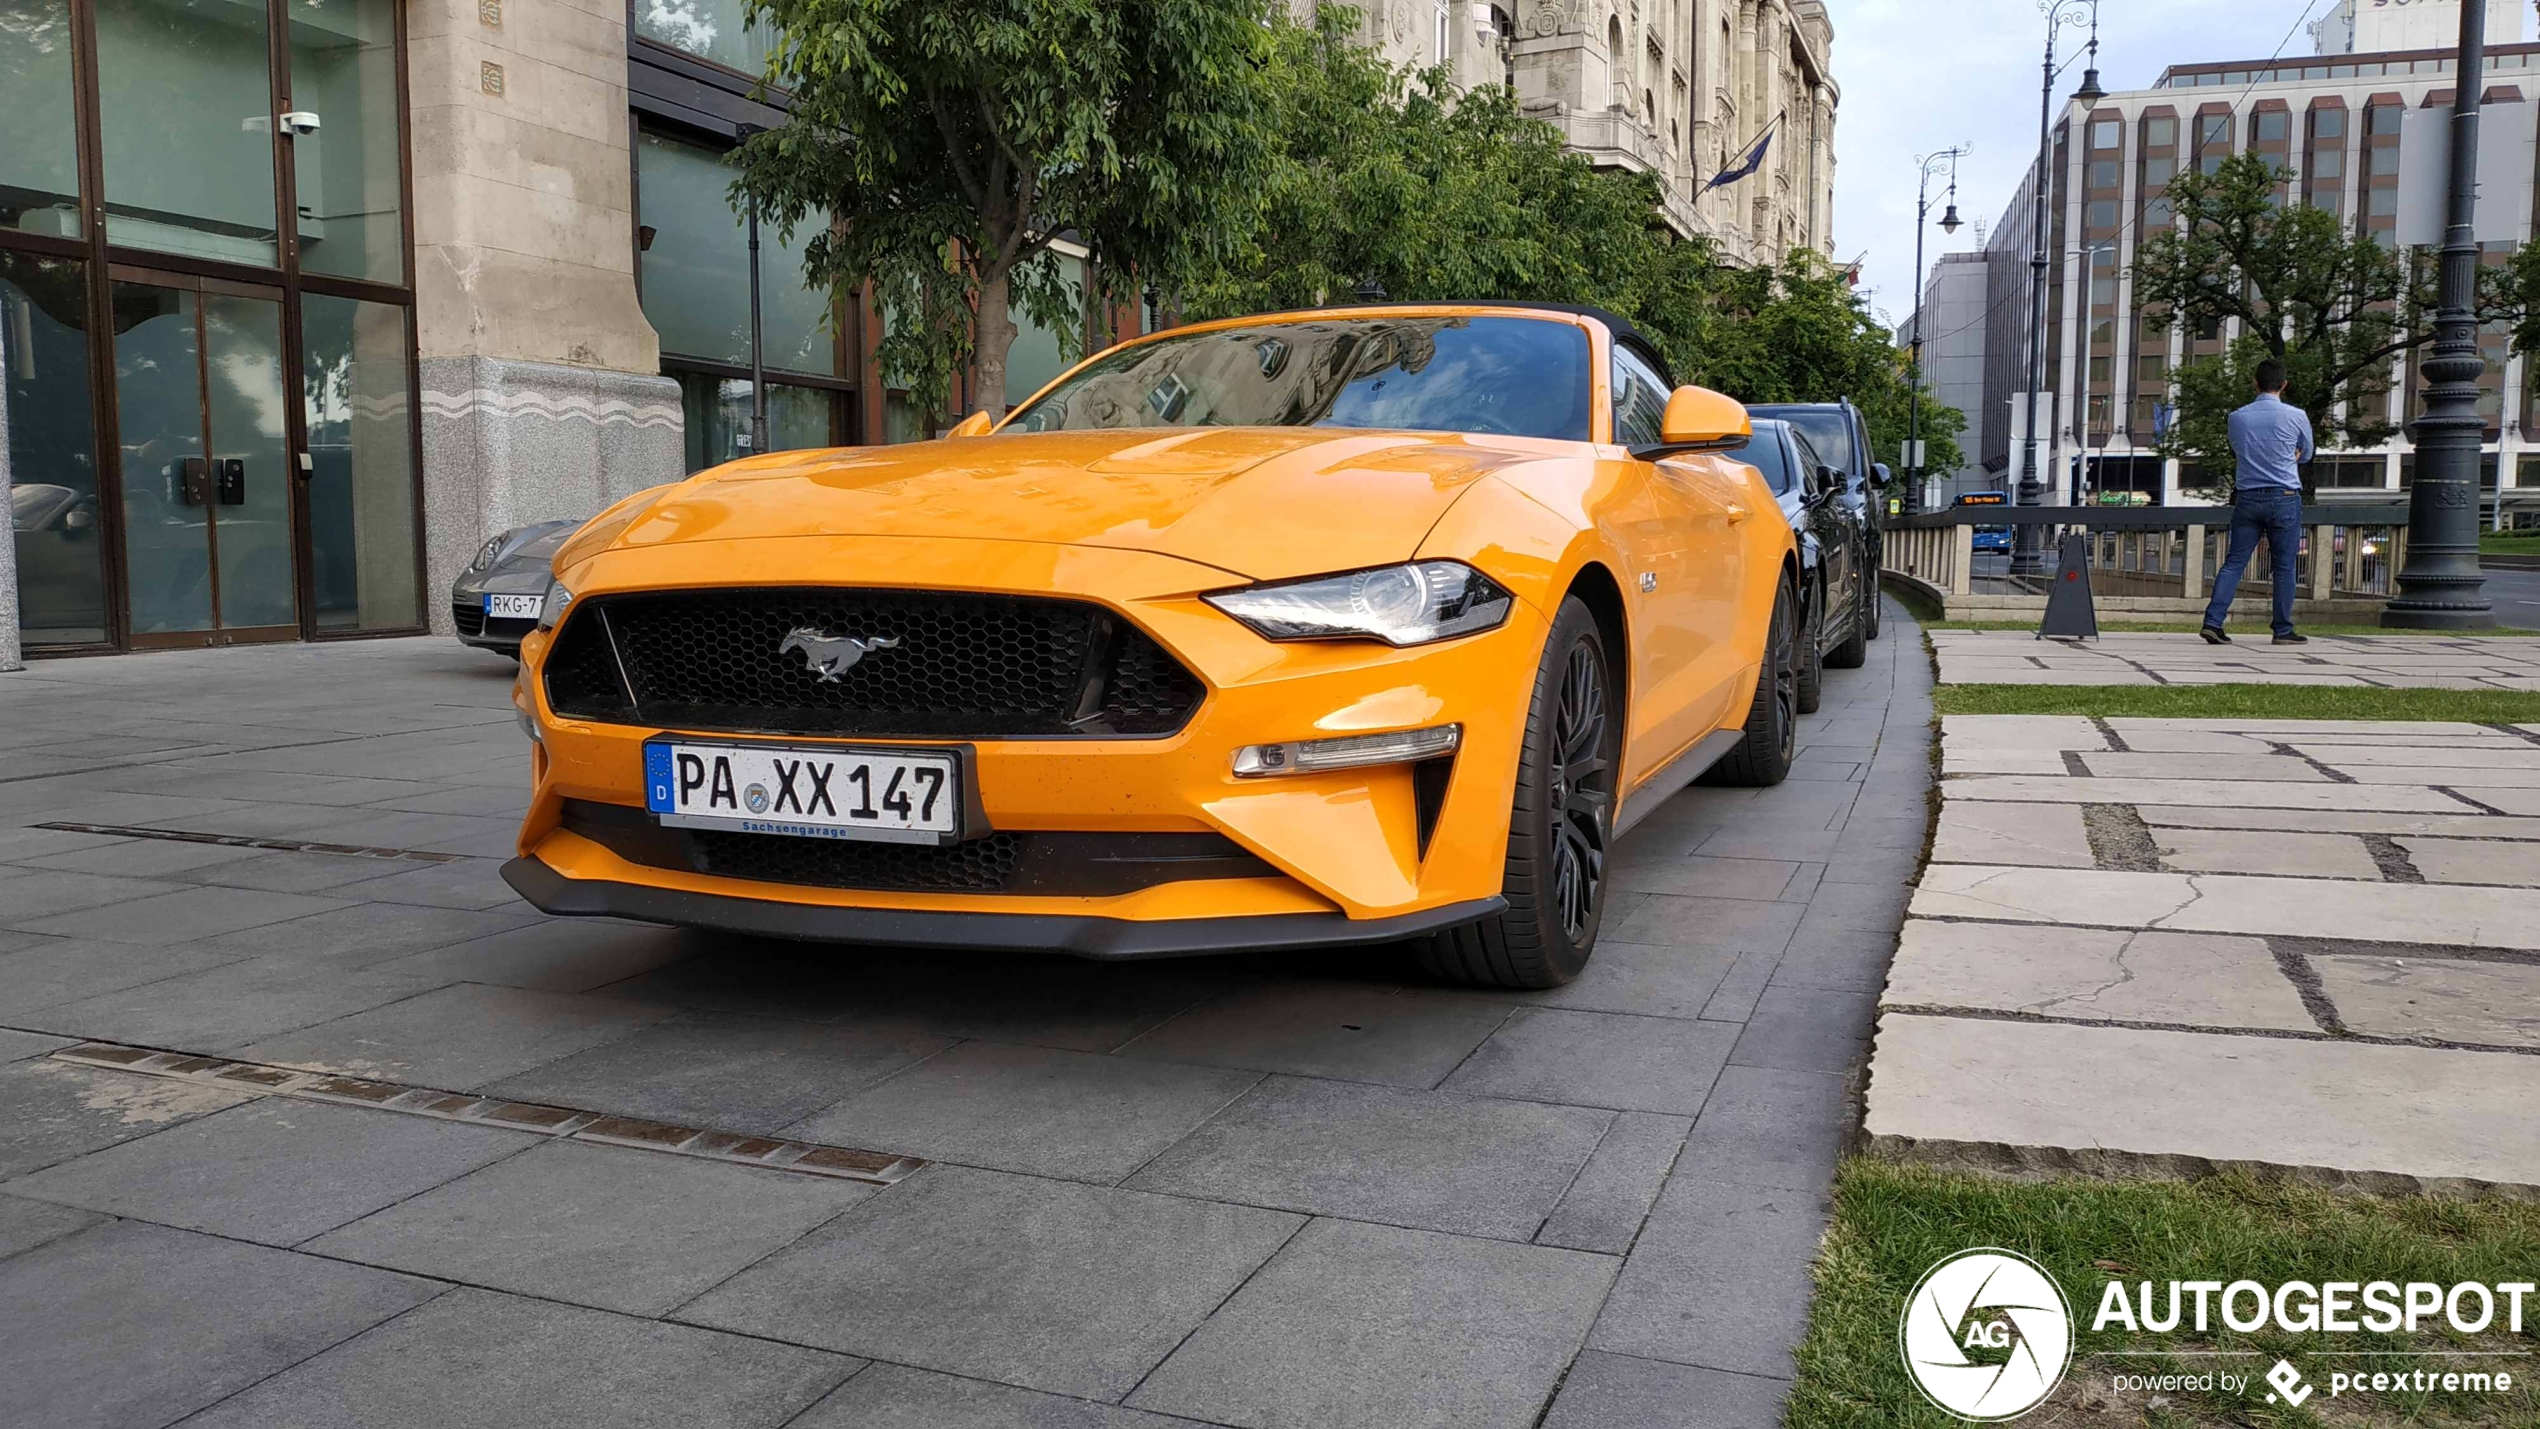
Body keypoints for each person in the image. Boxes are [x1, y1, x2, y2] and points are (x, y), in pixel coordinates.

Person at [2201, 360, 2314, 645]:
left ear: (2255, 383)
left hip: (2248, 496)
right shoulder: (2297, 415)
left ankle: (2213, 622)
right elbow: (2308, 452)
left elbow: (2238, 449)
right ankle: (2282, 628)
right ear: (2284, 384)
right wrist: (2294, 455)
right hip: (2285, 497)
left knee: (2234, 562)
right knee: (2284, 566)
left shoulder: (2237, 417)